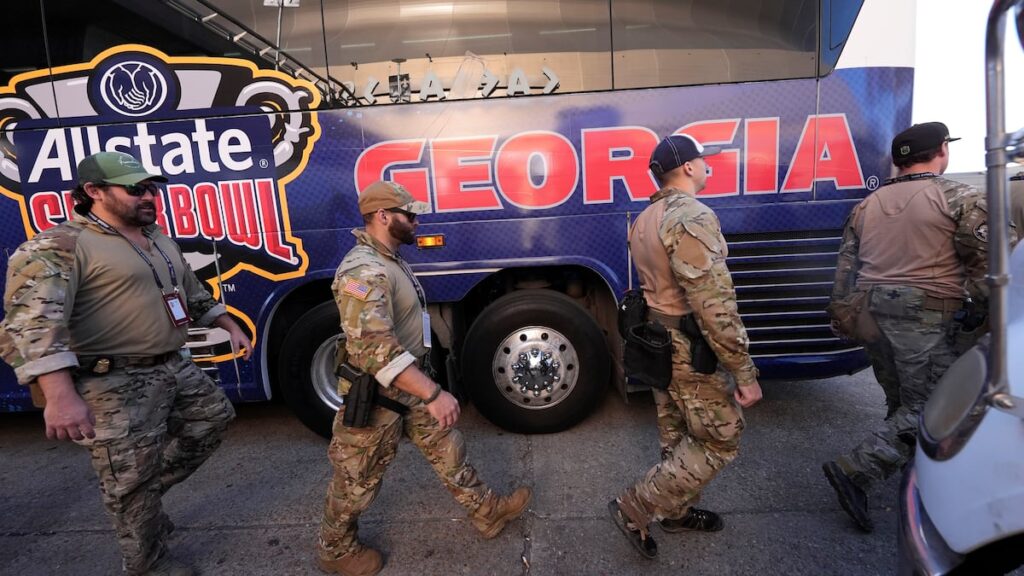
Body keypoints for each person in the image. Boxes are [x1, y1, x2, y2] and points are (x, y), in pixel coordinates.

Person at [0, 151, 252, 575]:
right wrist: (60, 394)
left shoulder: (154, 236)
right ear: (94, 192)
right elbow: (31, 323)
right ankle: (146, 562)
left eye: (152, 188)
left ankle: (141, 503)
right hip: (111, 380)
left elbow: (188, 289)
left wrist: (226, 322)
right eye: (135, 189)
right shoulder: (60, 245)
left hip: (172, 365)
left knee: (212, 421)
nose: (149, 196)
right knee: (129, 480)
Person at [316, 181, 532, 576]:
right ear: (383, 217)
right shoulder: (363, 269)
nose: (417, 221)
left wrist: (425, 386)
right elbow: (371, 348)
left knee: (448, 447)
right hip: (377, 396)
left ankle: (487, 512)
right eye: (409, 214)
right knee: (355, 480)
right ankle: (335, 550)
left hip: (408, 382)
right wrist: (433, 393)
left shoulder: (388, 258)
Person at [824, 122, 1002, 533]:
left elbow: (846, 267)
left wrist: (840, 312)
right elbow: (995, 261)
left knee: (900, 400)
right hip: (926, 315)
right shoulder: (959, 196)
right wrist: (979, 309)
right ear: (942, 150)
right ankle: (857, 470)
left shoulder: (867, 205)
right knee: (931, 406)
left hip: (871, 313)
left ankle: (914, 478)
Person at [608, 134, 763, 559]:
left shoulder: (643, 219)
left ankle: (675, 513)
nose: (707, 166)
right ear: (690, 168)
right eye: (704, 160)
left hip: (656, 341)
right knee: (721, 437)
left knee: (675, 431)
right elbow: (713, 304)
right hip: (685, 344)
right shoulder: (690, 215)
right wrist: (744, 373)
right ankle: (637, 505)